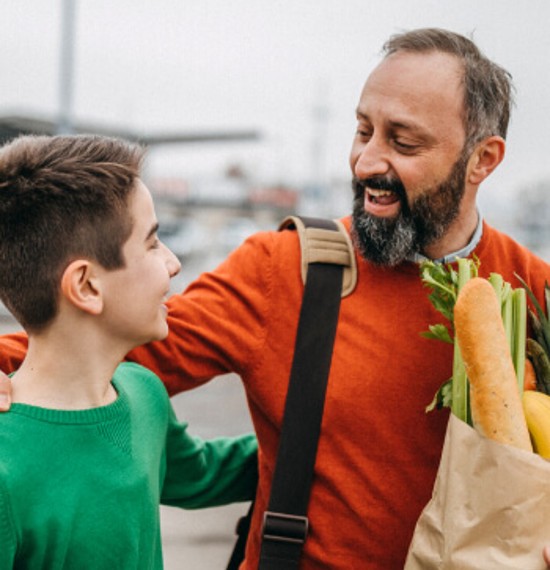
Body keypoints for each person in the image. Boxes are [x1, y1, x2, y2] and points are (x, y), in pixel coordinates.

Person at [1, 28, 550, 568]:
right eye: (363, 132)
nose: (366, 163)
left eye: (403, 142)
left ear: (483, 159)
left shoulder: (537, 294)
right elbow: (83, 346)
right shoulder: (287, 269)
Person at [0, 134, 258, 569]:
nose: (174, 262)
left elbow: (200, 473)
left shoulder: (146, 394)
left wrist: (324, 443)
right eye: (153, 242)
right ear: (86, 286)